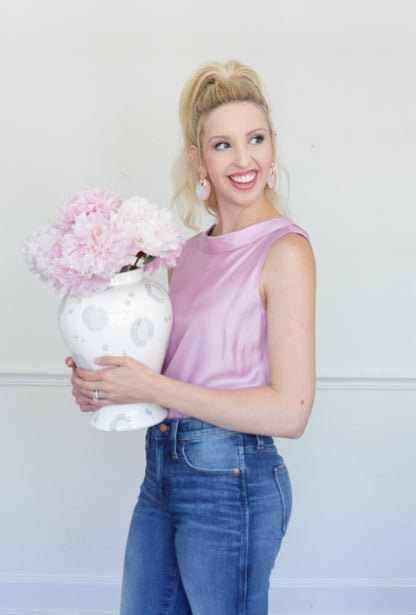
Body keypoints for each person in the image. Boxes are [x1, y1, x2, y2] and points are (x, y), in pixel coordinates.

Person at [67, 60, 316, 615]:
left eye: (256, 139)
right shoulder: (187, 254)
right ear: (198, 159)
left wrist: (153, 385)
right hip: (162, 470)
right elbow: (175, 378)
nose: (244, 158)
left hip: (233, 480)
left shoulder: (286, 251)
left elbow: (291, 413)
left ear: (274, 148)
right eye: (222, 144)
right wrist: (109, 385)